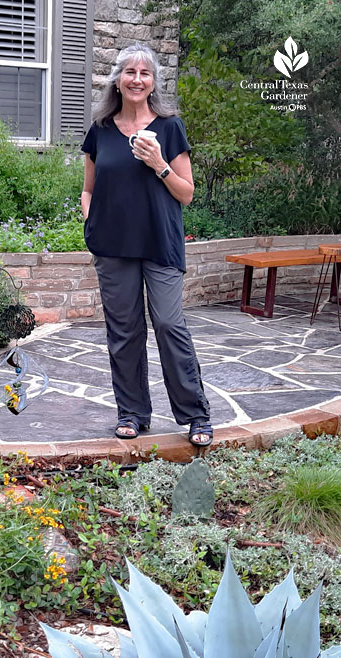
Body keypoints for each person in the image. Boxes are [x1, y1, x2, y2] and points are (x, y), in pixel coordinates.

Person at [80, 42, 213, 447]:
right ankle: (133, 412)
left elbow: (186, 193)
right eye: (130, 72)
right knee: (124, 331)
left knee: (170, 325)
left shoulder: (169, 128)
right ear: (118, 80)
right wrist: (93, 226)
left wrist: (159, 163)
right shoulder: (100, 130)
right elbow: (88, 190)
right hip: (113, 246)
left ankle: (195, 414)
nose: (137, 79)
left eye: (146, 73)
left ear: (153, 82)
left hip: (160, 243)